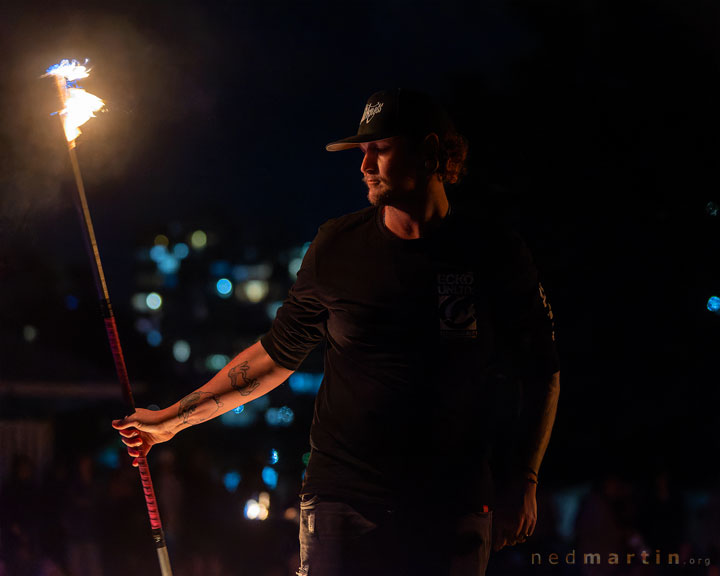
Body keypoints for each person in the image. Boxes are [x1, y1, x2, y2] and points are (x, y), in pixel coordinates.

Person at [113, 88, 561, 576]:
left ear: (431, 151)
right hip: (342, 502)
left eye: (380, 149)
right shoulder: (337, 247)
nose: (364, 164)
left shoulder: (493, 251)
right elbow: (274, 356)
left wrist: (525, 478)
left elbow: (541, 370)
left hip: (453, 503)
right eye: (361, 151)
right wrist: (173, 420)